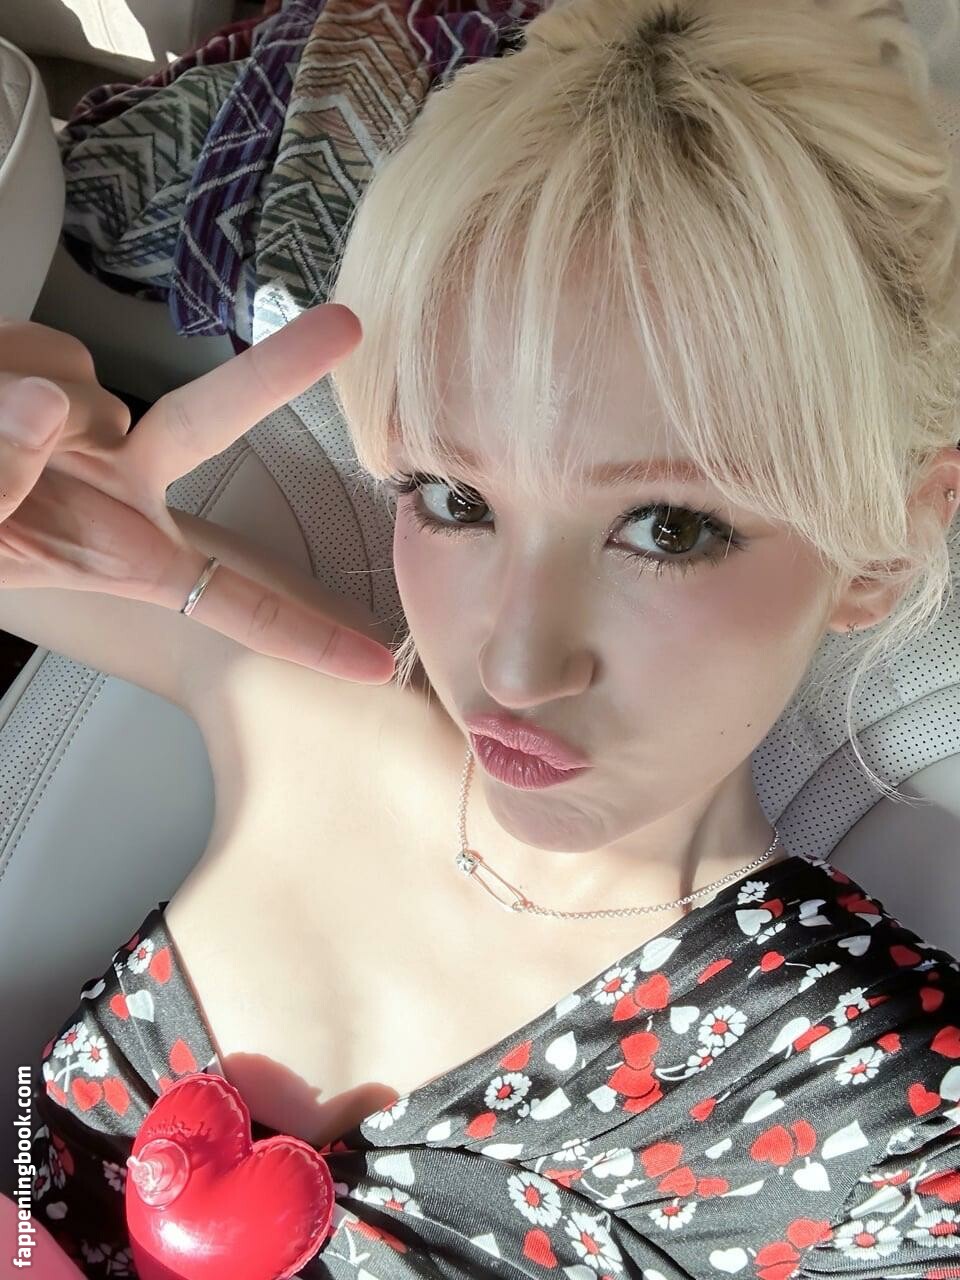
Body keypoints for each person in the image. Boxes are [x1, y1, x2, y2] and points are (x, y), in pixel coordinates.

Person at [4, 0, 960, 1273]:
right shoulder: (307, 719)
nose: (511, 667)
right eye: (455, 498)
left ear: (885, 546)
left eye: (668, 527)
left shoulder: (879, 1124)